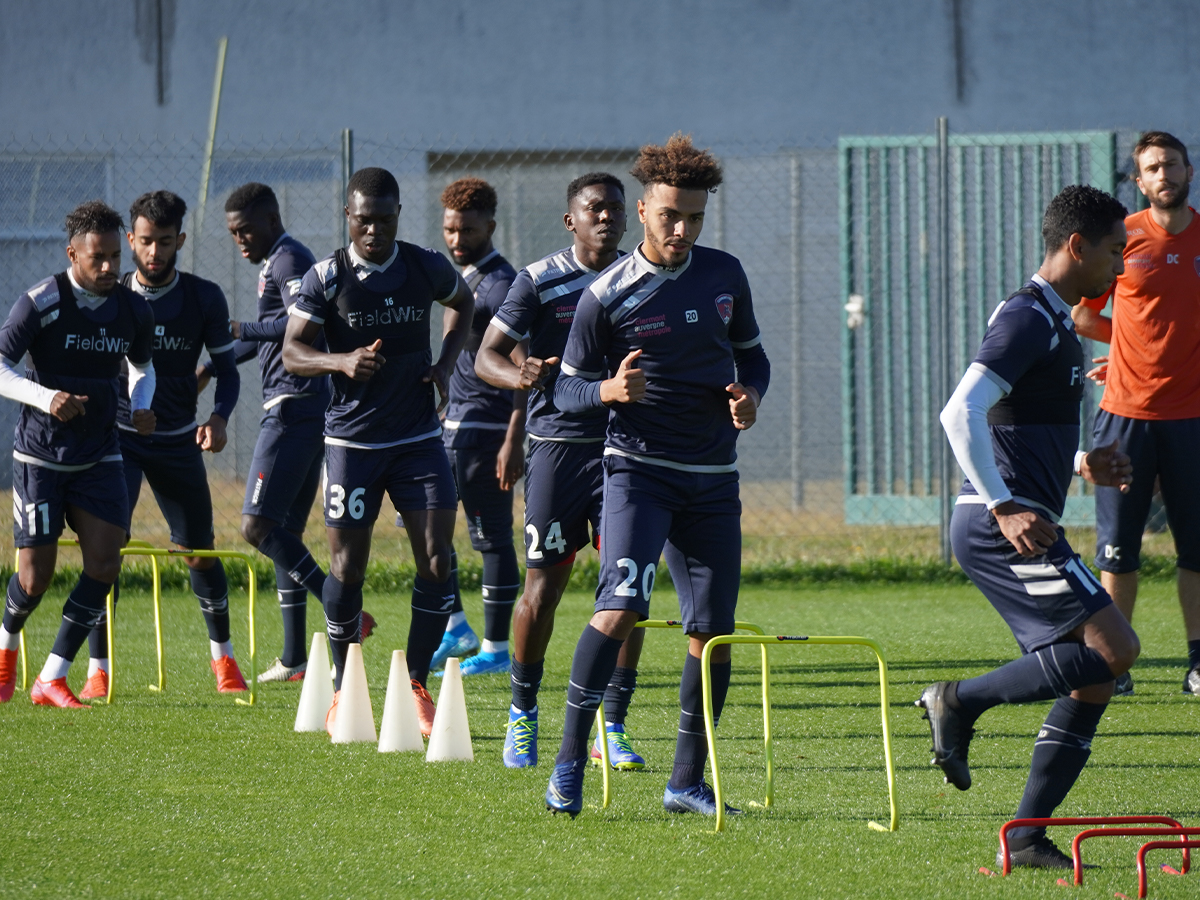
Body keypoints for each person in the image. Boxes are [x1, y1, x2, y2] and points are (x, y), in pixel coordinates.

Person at [542, 135, 770, 815]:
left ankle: (686, 782)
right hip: (638, 474)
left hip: (714, 479)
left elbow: (753, 357)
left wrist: (751, 396)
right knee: (619, 610)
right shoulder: (605, 295)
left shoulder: (725, 274)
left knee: (713, 634)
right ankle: (568, 764)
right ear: (642, 210)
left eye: (695, 218)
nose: (682, 230)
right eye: (670, 216)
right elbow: (566, 391)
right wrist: (607, 392)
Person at [925, 184, 1140, 869]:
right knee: (1116, 649)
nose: (1121, 266)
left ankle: (1025, 838)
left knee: (1094, 676)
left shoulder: (1051, 317)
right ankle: (957, 702)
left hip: (1021, 518)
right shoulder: (1027, 317)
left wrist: (1080, 463)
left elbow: (1014, 422)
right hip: (1003, 525)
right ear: (1076, 245)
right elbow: (959, 412)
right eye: (1114, 251)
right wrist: (1003, 505)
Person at [283, 167, 474, 736]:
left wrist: (445, 364)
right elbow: (293, 351)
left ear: (397, 217)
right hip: (352, 442)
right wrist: (339, 360)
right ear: (349, 216)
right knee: (348, 567)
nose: (374, 231)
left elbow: (463, 302)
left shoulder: (424, 265)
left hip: (418, 439)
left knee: (437, 560)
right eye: (364, 220)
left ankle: (415, 683)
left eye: (385, 220)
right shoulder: (326, 277)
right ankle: (345, 686)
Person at [476, 171, 649, 770]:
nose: (606, 217)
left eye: (615, 209)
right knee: (542, 590)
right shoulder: (538, 280)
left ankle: (613, 726)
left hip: (625, 451)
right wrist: (519, 374)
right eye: (594, 209)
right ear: (570, 220)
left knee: (627, 590)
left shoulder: (642, 278)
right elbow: (487, 356)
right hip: (557, 449)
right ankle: (522, 713)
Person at [81, 190, 245, 698]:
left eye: (165, 242)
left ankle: (224, 660)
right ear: (130, 240)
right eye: (146, 241)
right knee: (104, 552)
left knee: (198, 553)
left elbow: (226, 371)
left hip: (177, 442)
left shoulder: (203, 297)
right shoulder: (107, 296)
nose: (154, 252)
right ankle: (98, 669)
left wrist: (218, 418)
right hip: (117, 444)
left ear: (181, 241)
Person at [214, 183, 371, 685]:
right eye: (233, 233)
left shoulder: (289, 261)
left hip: (293, 406)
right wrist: (213, 365)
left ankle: (342, 608)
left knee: (256, 527)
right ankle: (294, 658)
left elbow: (297, 325)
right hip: (301, 407)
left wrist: (239, 329)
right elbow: (269, 333)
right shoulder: (275, 262)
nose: (239, 240)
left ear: (271, 218)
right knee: (284, 531)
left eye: (245, 229)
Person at [0, 201, 156, 707]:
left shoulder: (133, 308)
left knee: (105, 563)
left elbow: (143, 367)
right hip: (41, 458)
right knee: (34, 579)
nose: (109, 267)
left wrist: (142, 403)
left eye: (115, 256)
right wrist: (46, 398)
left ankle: (52, 676)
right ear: (73, 254)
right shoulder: (41, 302)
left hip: (100, 453)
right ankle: (5, 647)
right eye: (98, 258)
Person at [1072, 132, 1200, 697]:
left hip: (1193, 416)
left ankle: (1197, 663)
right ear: (1140, 181)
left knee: (1196, 547)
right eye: (1152, 168)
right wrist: (1128, 350)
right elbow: (1083, 316)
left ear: (1189, 171)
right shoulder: (1122, 238)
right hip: (1126, 416)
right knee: (1119, 548)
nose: (1163, 174)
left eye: (1171, 164)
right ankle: (1112, 664)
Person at [425, 177, 524, 678]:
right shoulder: (462, 279)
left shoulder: (503, 284)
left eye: (467, 229)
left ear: (490, 226)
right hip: (452, 428)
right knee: (428, 526)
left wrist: (514, 438)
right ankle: (456, 627)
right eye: (449, 229)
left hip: (488, 431)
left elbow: (525, 368)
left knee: (491, 539)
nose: (456, 239)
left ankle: (496, 649)